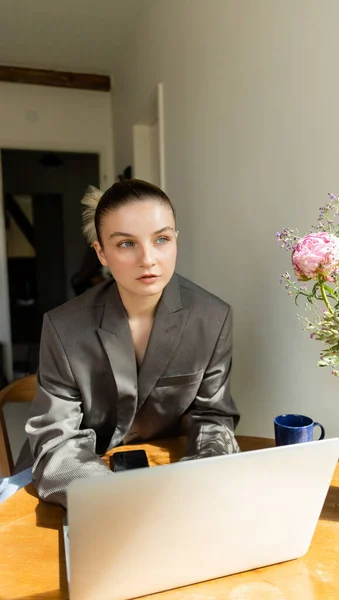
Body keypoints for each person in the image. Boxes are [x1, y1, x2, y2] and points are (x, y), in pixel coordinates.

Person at [25, 179, 240, 507]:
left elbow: (212, 417)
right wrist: (118, 497)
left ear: (175, 240)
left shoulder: (212, 318)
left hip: (171, 483)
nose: (148, 259)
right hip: (83, 487)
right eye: (126, 244)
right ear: (101, 252)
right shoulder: (63, 327)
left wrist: (194, 483)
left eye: (162, 239)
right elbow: (56, 442)